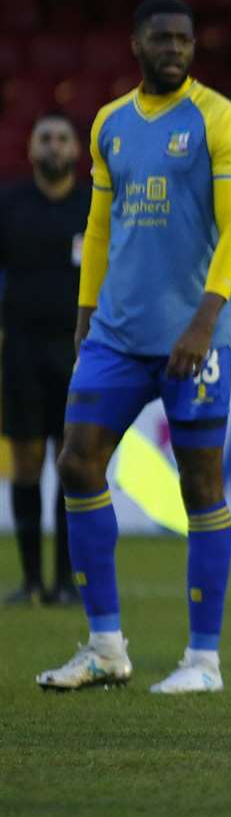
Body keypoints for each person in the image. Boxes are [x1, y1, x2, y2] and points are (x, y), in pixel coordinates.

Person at [35, 0, 231, 693]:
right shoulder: (110, 124)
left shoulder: (223, 121)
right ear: (136, 42)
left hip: (194, 340)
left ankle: (203, 660)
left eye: (184, 39)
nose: (174, 48)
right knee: (76, 464)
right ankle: (106, 646)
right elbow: (99, 230)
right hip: (116, 335)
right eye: (161, 37)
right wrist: (85, 314)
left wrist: (202, 321)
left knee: (201, 485)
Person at [2, 113, 89, 606]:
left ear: (77, 152)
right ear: (31, 150)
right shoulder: (9, 204)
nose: (54, 147)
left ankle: (67, 583)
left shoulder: (93, 207)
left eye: (62, 139)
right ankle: (32, 582)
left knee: (73, 461)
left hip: (79, 354)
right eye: (45, 139)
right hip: (21, 353)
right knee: (29, 460)